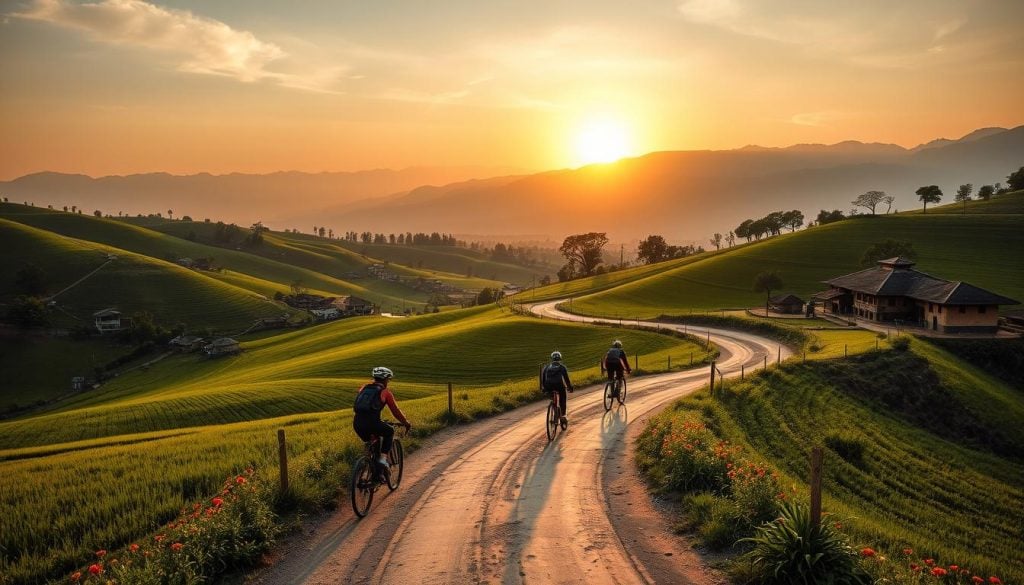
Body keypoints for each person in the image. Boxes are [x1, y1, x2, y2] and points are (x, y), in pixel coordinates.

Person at [353, 366, 411, 471]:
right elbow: (396, 412)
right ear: (385, 379)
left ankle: (370, 469)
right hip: (373, 423)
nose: (388, 381)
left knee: (373, 443)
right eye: (388, 379)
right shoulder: (385, 392)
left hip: (357, 424)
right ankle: (383, 460)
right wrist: (406, 423)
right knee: (389, 431)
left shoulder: (363, 388)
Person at [540, 351, 574, 427]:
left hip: (548, 386)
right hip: (559, 386)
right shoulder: (562, 367)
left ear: (552, 359)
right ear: (560, 358)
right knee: (563, 398)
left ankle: (553, 404)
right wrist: (570, 388)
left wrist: (544, 388)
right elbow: (566, 379)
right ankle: (563, 415)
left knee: (552, 396)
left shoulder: (547, 367)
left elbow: (543, 378)